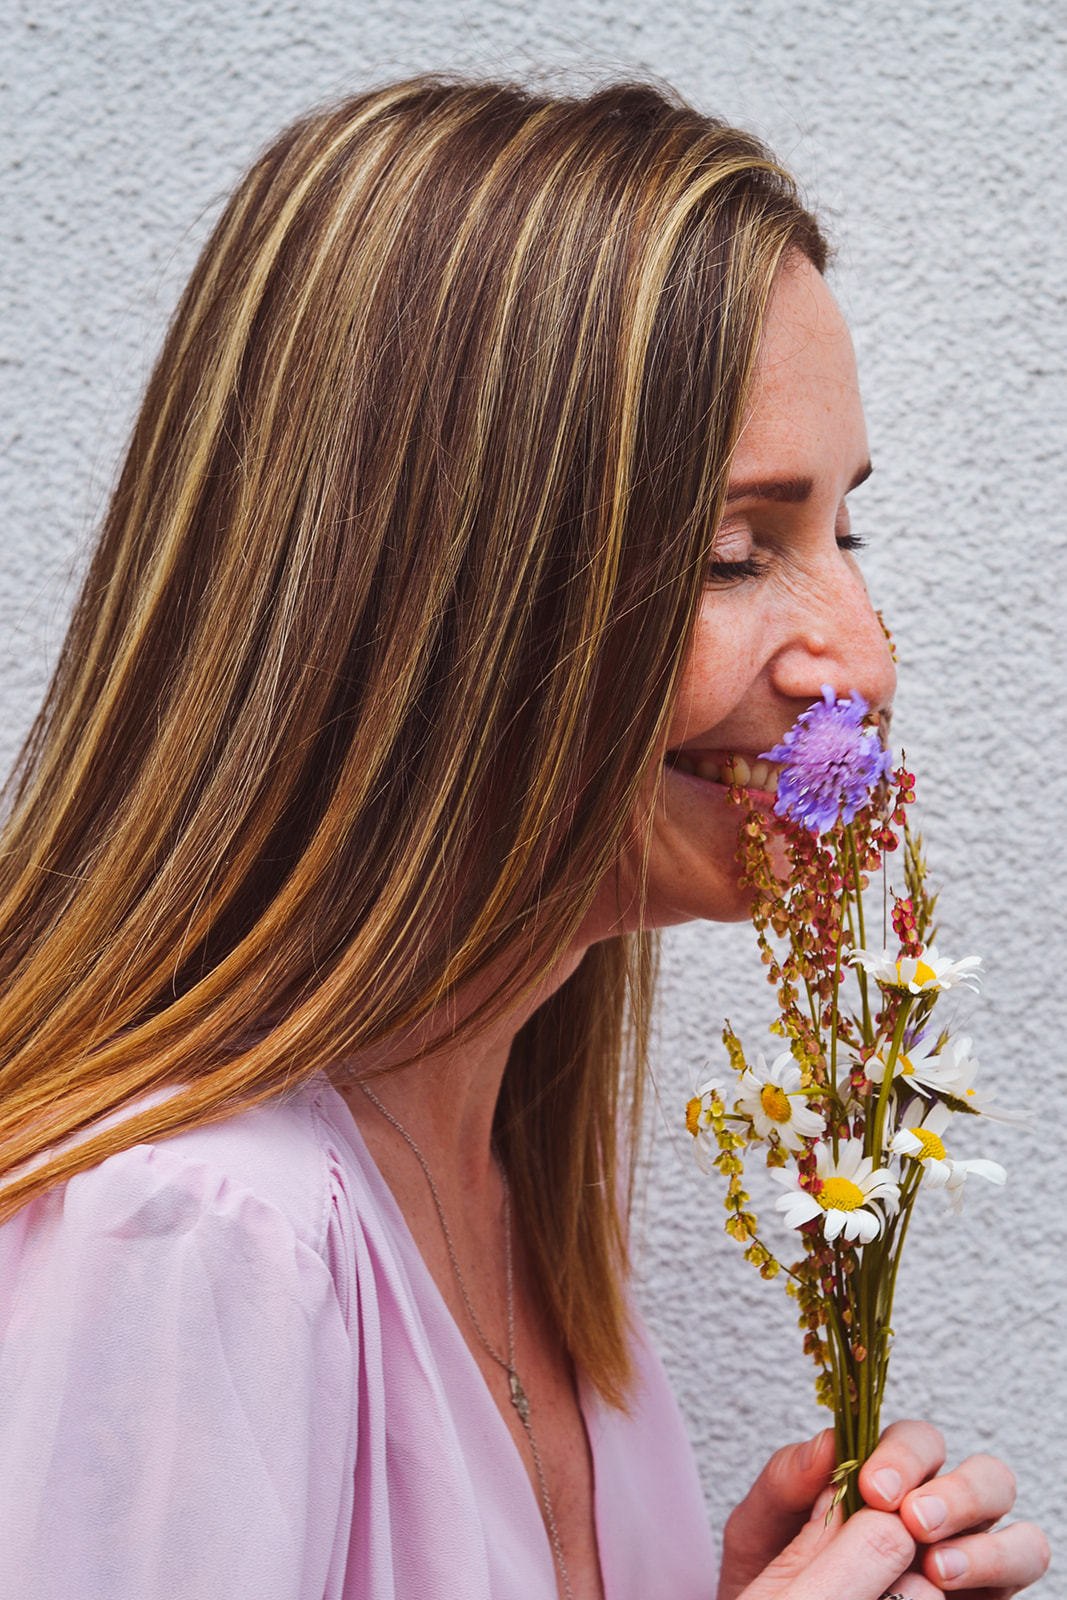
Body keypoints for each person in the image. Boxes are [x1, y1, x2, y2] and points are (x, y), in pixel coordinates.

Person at [0, 77, 1049, 1600]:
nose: (862, 657)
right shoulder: (192, 1235)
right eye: (736, 551)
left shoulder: (532, 1225)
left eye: (847, 532)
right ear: (429, 607)